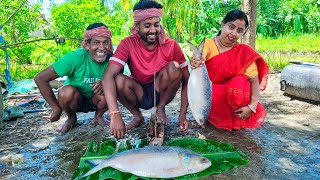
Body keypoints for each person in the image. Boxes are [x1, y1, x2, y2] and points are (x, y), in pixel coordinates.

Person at [102, 0, 190, 139]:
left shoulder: (171, 45)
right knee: (118, 79)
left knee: (175, 67)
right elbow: (107, 77)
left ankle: (160, 108)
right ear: (137, 26)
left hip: (161, 91)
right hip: (138, 91)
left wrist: (182, 115)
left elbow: (187, 80)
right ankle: (137, 116)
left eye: (156, 25)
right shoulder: (128, 43)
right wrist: (115, 114)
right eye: (147, 25)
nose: (153, 30)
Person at [190, 10, 269, 131]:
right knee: (209, 91)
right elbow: (201, 56)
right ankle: (209, 117)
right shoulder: (209, 44)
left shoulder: (244, 51)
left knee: (242, 84)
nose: (234, 33)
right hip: (211, 94)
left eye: (239, 31)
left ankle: (235, 119)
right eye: (231, 27)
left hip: (232, 96)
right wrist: (196, 59)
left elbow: (254, 81)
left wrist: (252, 107)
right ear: (222, 24)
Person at [34, 23, 113, 134]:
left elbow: (118, 77)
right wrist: (55, 108)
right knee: (66, 92)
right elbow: (40, 78)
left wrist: (105, 81)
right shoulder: (75, 57)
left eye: (106, 42)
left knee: (110, 87)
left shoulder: (113, 59)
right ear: (86, 44)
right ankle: (71, 118)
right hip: (75, 100)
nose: (102, 48)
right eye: (96, 42)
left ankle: (99, 116)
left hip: (97, 99)